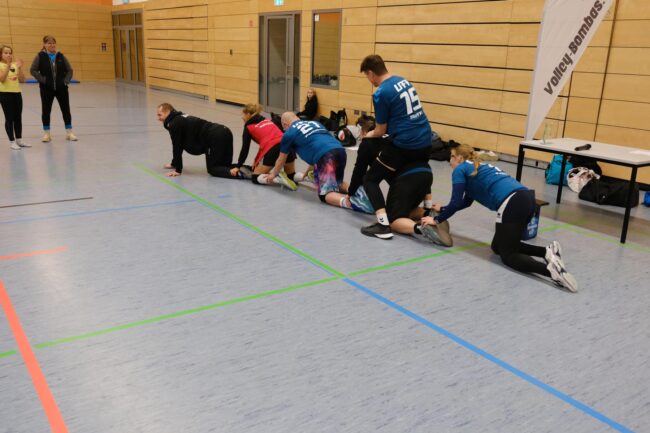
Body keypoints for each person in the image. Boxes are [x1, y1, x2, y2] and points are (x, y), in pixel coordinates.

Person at [421, 142, 577, 292]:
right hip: (527, 199)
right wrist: (443, 208)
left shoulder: (460, 169)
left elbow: (455, 202)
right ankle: (547, 252)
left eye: (451, 156)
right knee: (497, 246)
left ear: (459, 158)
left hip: (512, 203)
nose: (449, 160)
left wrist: (436, 220)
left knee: (509, 255)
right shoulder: (475, 168)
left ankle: (551, 272)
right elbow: (466, 202)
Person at [359, 54, 433, 240]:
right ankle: (427, 210)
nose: (369, 80)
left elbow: (380, 130)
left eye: (367, 76)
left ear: (371, 73)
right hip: (425, 140)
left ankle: (383, 224)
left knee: (370, 180)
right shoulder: (402, 81)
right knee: (414, 170)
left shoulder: (381, 93)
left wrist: (368, 135)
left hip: (406, 144)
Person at [268, 112, 346, 206]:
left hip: (326, 156)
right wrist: (308, 171)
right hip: (340, 150)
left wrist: (273, 174)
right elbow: (317, 145)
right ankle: (357, 193)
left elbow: (281, 159)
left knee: (325, 194)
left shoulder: (289, 133)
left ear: (285, 124)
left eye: (284, 128)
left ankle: (351, 202)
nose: (284, 130)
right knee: (338, 183)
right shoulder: (315, 123)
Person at [156, 102, 243, 179]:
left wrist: (178, 170)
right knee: (225, 166)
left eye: (160, 115)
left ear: (167, 112)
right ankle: (246, 169)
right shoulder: (179, 117)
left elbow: (177, 146)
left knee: (213, 169)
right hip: (225, 131)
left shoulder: (174, 123)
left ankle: (242, 174)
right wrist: (174, 163)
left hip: (215, 137)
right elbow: (179, 144)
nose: (158, 118)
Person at [230, 103, 298, 190]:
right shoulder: (267, 120)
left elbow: (245, 149)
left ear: (248, 114)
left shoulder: (248, 127)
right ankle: (307, 177)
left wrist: (238, 166)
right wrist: (256, 160)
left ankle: (278, 179)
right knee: (291, 176)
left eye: (242, 114)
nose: (241, 117)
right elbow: (267, 143)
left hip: (273, 148)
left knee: (255, 177)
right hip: (288, 146)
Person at [29, 35, 77, 142]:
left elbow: (70, 70)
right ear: (44, 45)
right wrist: (43, 80)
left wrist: (66, 81)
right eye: (49, 43)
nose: (52, 45)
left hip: (61, 88)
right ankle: (47, 134)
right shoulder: (40, 56)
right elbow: (33, 70)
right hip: (46, 89)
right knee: (46, 111)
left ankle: (69, 133)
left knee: (66, 110)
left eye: (53, 43)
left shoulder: (61, 56)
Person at [0, 45, 30, 150]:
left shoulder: (15, 65)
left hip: (17, 93)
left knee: (18, 117)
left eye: (10, 53)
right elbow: (2, 79)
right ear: (1, 54)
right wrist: (8, 65)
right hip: (5, 94)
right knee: (9, 118)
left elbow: (22, 80)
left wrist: (20, 68)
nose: (8, 55)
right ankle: (12, 141)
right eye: (6, 53)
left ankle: (19, 140)